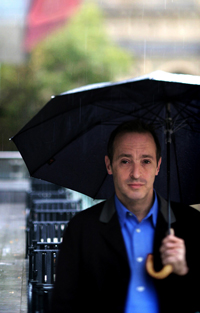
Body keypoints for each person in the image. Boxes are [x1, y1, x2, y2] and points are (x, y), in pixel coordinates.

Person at [51, 120, 200, 313]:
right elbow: (63, 305)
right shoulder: (81, 228)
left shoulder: (192, 224)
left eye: (146, 161)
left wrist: (183, 271)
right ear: (109, 165)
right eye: (125, 161)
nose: (136, 173)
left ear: (158, 166)